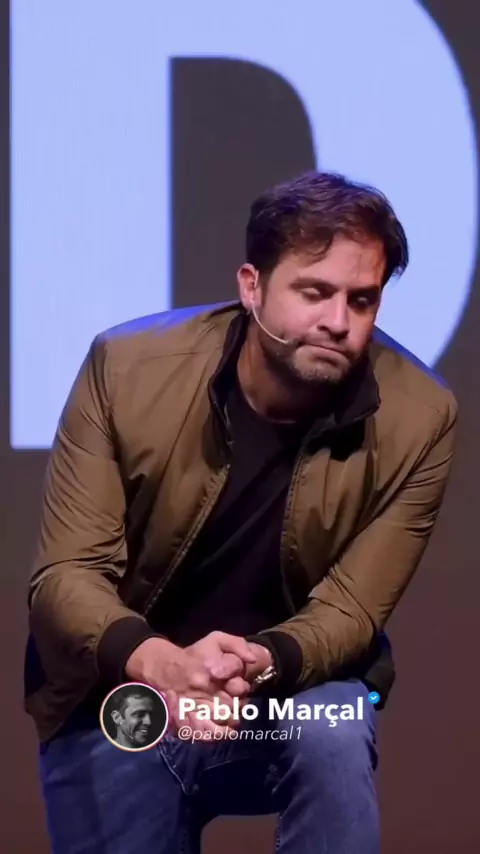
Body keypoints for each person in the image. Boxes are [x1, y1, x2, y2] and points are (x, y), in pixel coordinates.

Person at [24, 170, 458, 853]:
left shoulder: (421, 416)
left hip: (281, 687)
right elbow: (65, 577)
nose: (338, 321)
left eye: (362, 299)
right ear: (252, 286)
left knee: (337, 721)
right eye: (313, 292)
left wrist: (255, 664)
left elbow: (352, 609)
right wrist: (162, 664)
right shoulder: (125, 370)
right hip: (125, 690)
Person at [102, 684, 165, 750]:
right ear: (117, 717)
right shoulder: (101, 752)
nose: (149, 722)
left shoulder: (163, 751)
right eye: (139, 714)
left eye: (151, 714)